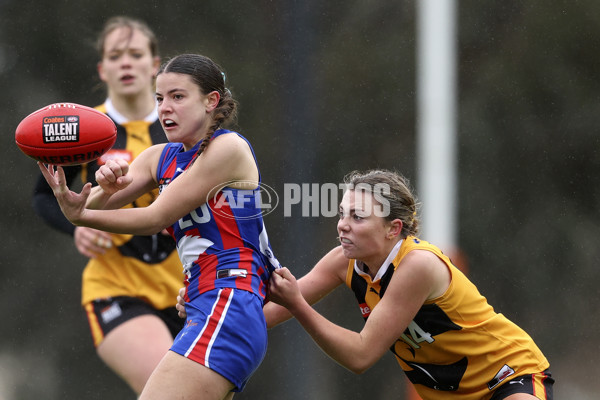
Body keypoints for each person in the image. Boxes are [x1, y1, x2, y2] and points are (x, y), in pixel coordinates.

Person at [39, 53, 280, 400]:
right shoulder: (159, 157)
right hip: (204, 306)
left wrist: (83, 217)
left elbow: (155, 217)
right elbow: (86, 207)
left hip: (229, 306)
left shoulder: (228, 149)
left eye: (178, 97)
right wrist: (99, 193)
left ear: (212, 101)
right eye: (159, 98)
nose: (164, 107)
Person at [265, 169, 554, 400]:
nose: (342, 224)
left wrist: (297, 305)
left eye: (358, 216)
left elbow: (360, 355)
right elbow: (271, 312)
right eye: (342, 213)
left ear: (394, 229)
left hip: (507, 376)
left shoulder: (417, 265)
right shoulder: (344, 261)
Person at [31, 16, 185, 395]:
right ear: (103, 69)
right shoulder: (83, 130)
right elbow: (42, 196)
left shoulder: (181, 127)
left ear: (155, 65)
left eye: (136, 54)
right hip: (117, 287)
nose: (127, 63)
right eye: (116, 56)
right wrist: (77, 226)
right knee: (168, 388)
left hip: (189, 290)